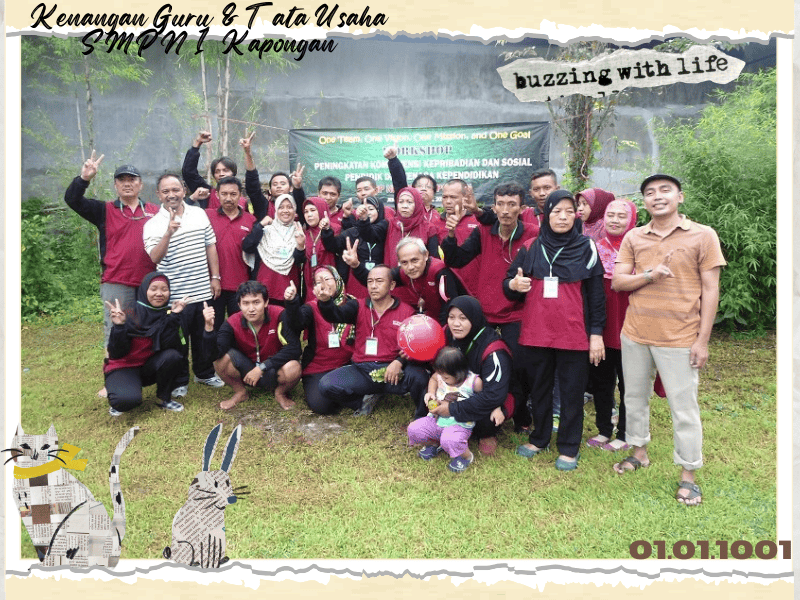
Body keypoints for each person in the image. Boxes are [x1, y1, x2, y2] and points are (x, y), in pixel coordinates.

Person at [611, 174, 725, 507]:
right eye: (650, 192)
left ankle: (688, 474)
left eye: (665, 190)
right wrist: (650, 275)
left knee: (683, 407)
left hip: (680, 337)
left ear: (680, 197)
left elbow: (711, 290)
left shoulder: (703, 235)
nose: (657, 196)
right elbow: (618, 281)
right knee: (634, 397)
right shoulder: (634, 236)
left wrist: (702, 341)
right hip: (635, 333)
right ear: (644, 201)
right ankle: (639, 452)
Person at [504, 189, 606, 471]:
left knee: (572, 392)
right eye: (556, 211)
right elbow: (509, 284)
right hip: (537, 332)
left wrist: (596, 334)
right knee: (540, 389)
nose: (563, 217)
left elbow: (597, 295)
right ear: (546, 214)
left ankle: (569, 446)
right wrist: (514, 285)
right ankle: (539, 438)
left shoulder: (587, 248)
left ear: (576, 216)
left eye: (569, 211)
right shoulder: (531, 247)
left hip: (574, 333)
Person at [441, 182, 538, 431]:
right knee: (477, 364)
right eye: (500, 204)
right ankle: (481, 412)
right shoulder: (484, 231)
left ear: (522, 208)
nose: (505, 210)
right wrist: (450, 235)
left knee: (519, 366)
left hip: (517, 313)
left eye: (512, 204)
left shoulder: (532, 233)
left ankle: (519, 413)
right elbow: (456, 259)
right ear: (494, 207)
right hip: (486, 313)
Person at [64, 153, 159, 398]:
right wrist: (84, 178)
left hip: (149, 283)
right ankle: (112, 380)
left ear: (140, 184)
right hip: (117, 282)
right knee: (115, 330)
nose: (127, 184)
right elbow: (72, 199)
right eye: (122, 180)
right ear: (115, 185)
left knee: (147, 329)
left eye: (132, 179)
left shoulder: (154, 211)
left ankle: (145, 373)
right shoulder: (104, 210)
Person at [143, 173, 225, 396]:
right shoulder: (152, 224)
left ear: (184, 191)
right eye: (166, 191)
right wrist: (168, 233)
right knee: (177, 339)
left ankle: (204, 373)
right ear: (158, 194)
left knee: (202, 335)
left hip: (202, 289)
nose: (171, 195)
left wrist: (215, 277)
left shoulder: (199, 214)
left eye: (175, 189)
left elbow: (210, 245)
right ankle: (180, 380)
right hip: (175, 296)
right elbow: (154, 257)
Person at [315, 264, 429, 416]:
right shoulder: (358, 306)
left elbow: (413, 345)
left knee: (420, 377)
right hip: (363, 370)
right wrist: (325, 302)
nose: (373, 286)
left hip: (393, 370)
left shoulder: (407, 311)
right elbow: (335, 315)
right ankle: (363, 402)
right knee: (326, 385)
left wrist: (399, 362)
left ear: (392, 285)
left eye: (379, 281)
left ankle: (422, 416)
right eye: (370, 281)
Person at [429, 296, 513, 456]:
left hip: (487, 393)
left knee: (489, 415)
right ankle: (436, 427)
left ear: (474, 318)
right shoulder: (447, 333)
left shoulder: (494, 350)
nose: (456, 324)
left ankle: (486, 434)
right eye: (451, 317)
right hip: (456, 389)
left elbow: (493, 395)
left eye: (463, 318)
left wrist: (452, 409)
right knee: (425, 387)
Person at [585, 199, 638, 451]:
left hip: (631, 324)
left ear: (632, 220)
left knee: (630, 383)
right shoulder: (594, 249)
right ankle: (604, 429)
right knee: (601, 381)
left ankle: (626, 433)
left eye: (621, 216)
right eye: (610, 215)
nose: (615, 220)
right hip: (602, 325)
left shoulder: (639, 249)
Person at [203, 280, 302, 410]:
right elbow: (213, 355)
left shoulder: (280, 314)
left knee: (294, 367)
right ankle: (240, 392)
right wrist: (209, 328)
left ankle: (280, 393)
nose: (251, 309)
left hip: (274, 370)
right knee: (220, 360)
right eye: (245, 303)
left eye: (256, 302)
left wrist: (262, 367)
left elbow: (294, 348)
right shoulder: (232, 322)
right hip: (247, 371)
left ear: (266, 302)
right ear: (239, 305)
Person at [104, 272, 187, 416]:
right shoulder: (129, 313)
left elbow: (173, 346)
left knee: (173, 356)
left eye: (164, 289)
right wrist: (119, 327)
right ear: (144, 290)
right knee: (126, 400)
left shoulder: (167, 315)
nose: (159, 293)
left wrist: (174, 317)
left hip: (148, 368)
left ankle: (163, 398)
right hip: (124, 367)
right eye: (153, 289)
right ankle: (120, 390)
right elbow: (116, 353)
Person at [344, 236, 465, 324]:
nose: (410, 267)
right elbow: (377, 281)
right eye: (404, 262)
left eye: (415, 260)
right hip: (434, 318)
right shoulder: (402, 272)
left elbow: (450, 308)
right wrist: (356, 265)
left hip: (457, 320)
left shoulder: (439, 271)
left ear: (426, 255)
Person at [283, 267, 356, 414]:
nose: (323, 284)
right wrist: (292, 302)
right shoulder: (311, 307)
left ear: (337, 280)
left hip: (347, 365)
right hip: (318, 368)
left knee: (357, 387)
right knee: (322, 406)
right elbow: (297, 323)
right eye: (318, 282)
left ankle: (348, 393)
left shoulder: (352, 303)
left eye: (327, 279)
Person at [407, 346, 483, 473]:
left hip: (459, 424)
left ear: (459, 373)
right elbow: (433, 378)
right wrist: (431, 393)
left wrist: (496, 408)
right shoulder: (441, 375)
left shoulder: (473, 382)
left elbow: (486, 397)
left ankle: (465, 456)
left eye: (446, 377)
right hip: (437, 420)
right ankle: (434, 444)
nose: (442, 378)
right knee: (414, 429)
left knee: (449, 440)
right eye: (440, 374)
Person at [205, 175, 259, 331]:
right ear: (217, 195)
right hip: (213, 285)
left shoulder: (250, 220)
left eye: (233, 194)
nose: (228, 198)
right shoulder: (207, 216)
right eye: (224, 194)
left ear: (240, 195)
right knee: (213, 327)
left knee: (240, 329)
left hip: (241, 286)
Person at [242, 194, 304, 305]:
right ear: (276, 210)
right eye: (281, 207)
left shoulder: (299, 230)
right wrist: (260, 225)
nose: (285, 211)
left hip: (288, 288)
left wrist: (300, 246)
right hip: (264, 285)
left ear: (294, 210)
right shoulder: (266, 229)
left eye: (289, 207)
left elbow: (300, 261)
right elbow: (247, 246)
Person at [433, 179, 480, 295]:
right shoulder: (435, 224)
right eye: (445, 197)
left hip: (477, 286)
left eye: (453, 197)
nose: (448, 201)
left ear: (465, 198)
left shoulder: (478, 221)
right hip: (449, 287)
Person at [182, 130, 247, 211]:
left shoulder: (243, 200)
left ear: (233, 173)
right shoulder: (207, 194)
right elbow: (189, 173)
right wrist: (197, 143)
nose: (221, 174)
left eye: (225, 170)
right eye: (217, 171)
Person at [382, 187, 439, 268]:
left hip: (418, 274)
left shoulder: (428, 228)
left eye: (409, 202)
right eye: (401, 202)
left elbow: (433, 259)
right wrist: (364, 221)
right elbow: (371, 234)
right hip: (393, 274)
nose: (404, 206)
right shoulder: (390, 224)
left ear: (417, 204)